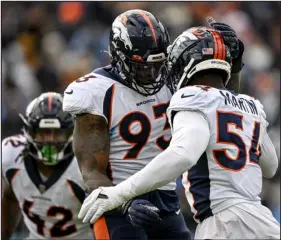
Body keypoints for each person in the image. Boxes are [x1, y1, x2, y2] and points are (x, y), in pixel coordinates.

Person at [78, 27, 280, 239]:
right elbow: (270, 165)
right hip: (263, 222)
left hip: (222, 225)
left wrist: (119, 193)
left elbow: (183, 153)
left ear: (187, 64)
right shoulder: (250, 104)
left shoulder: (191, 96)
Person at [63, 9, 192, 240]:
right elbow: (91, 172)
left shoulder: (174, 80)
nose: (152, 74)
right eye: (142, 67)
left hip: (167, 201)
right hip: (115, 205)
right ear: (119, 57)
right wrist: (125, 203)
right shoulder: (97, 92)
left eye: (158, 64)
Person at [2, 92, 93, 240]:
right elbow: (10, 195)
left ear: (71, 133)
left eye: (57, 133)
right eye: (43, 133)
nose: (50, 140)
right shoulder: (11, 156)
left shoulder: (85, 165)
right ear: (30, 132)